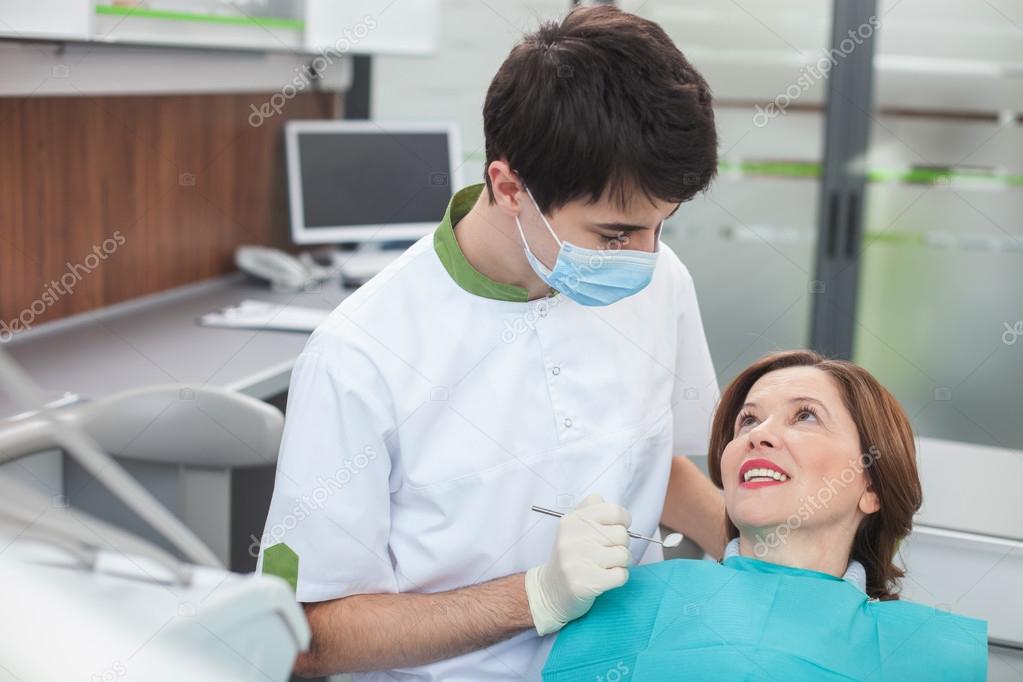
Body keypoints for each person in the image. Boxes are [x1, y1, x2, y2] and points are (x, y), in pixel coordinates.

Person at [256, 6, 727, 680]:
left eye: (662, 226)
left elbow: (653, 460)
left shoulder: (658, 280)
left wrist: (765, 555)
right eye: (613, 236)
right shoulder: (359, 354)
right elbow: (307, 637)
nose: (644, 259)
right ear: (509, 187)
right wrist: (535, 596)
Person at [542, 350, 988, 680]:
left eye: (806, 416)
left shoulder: (932, 654)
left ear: (871, 486)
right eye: (748, 421)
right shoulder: (626, 601)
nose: (761, 435)